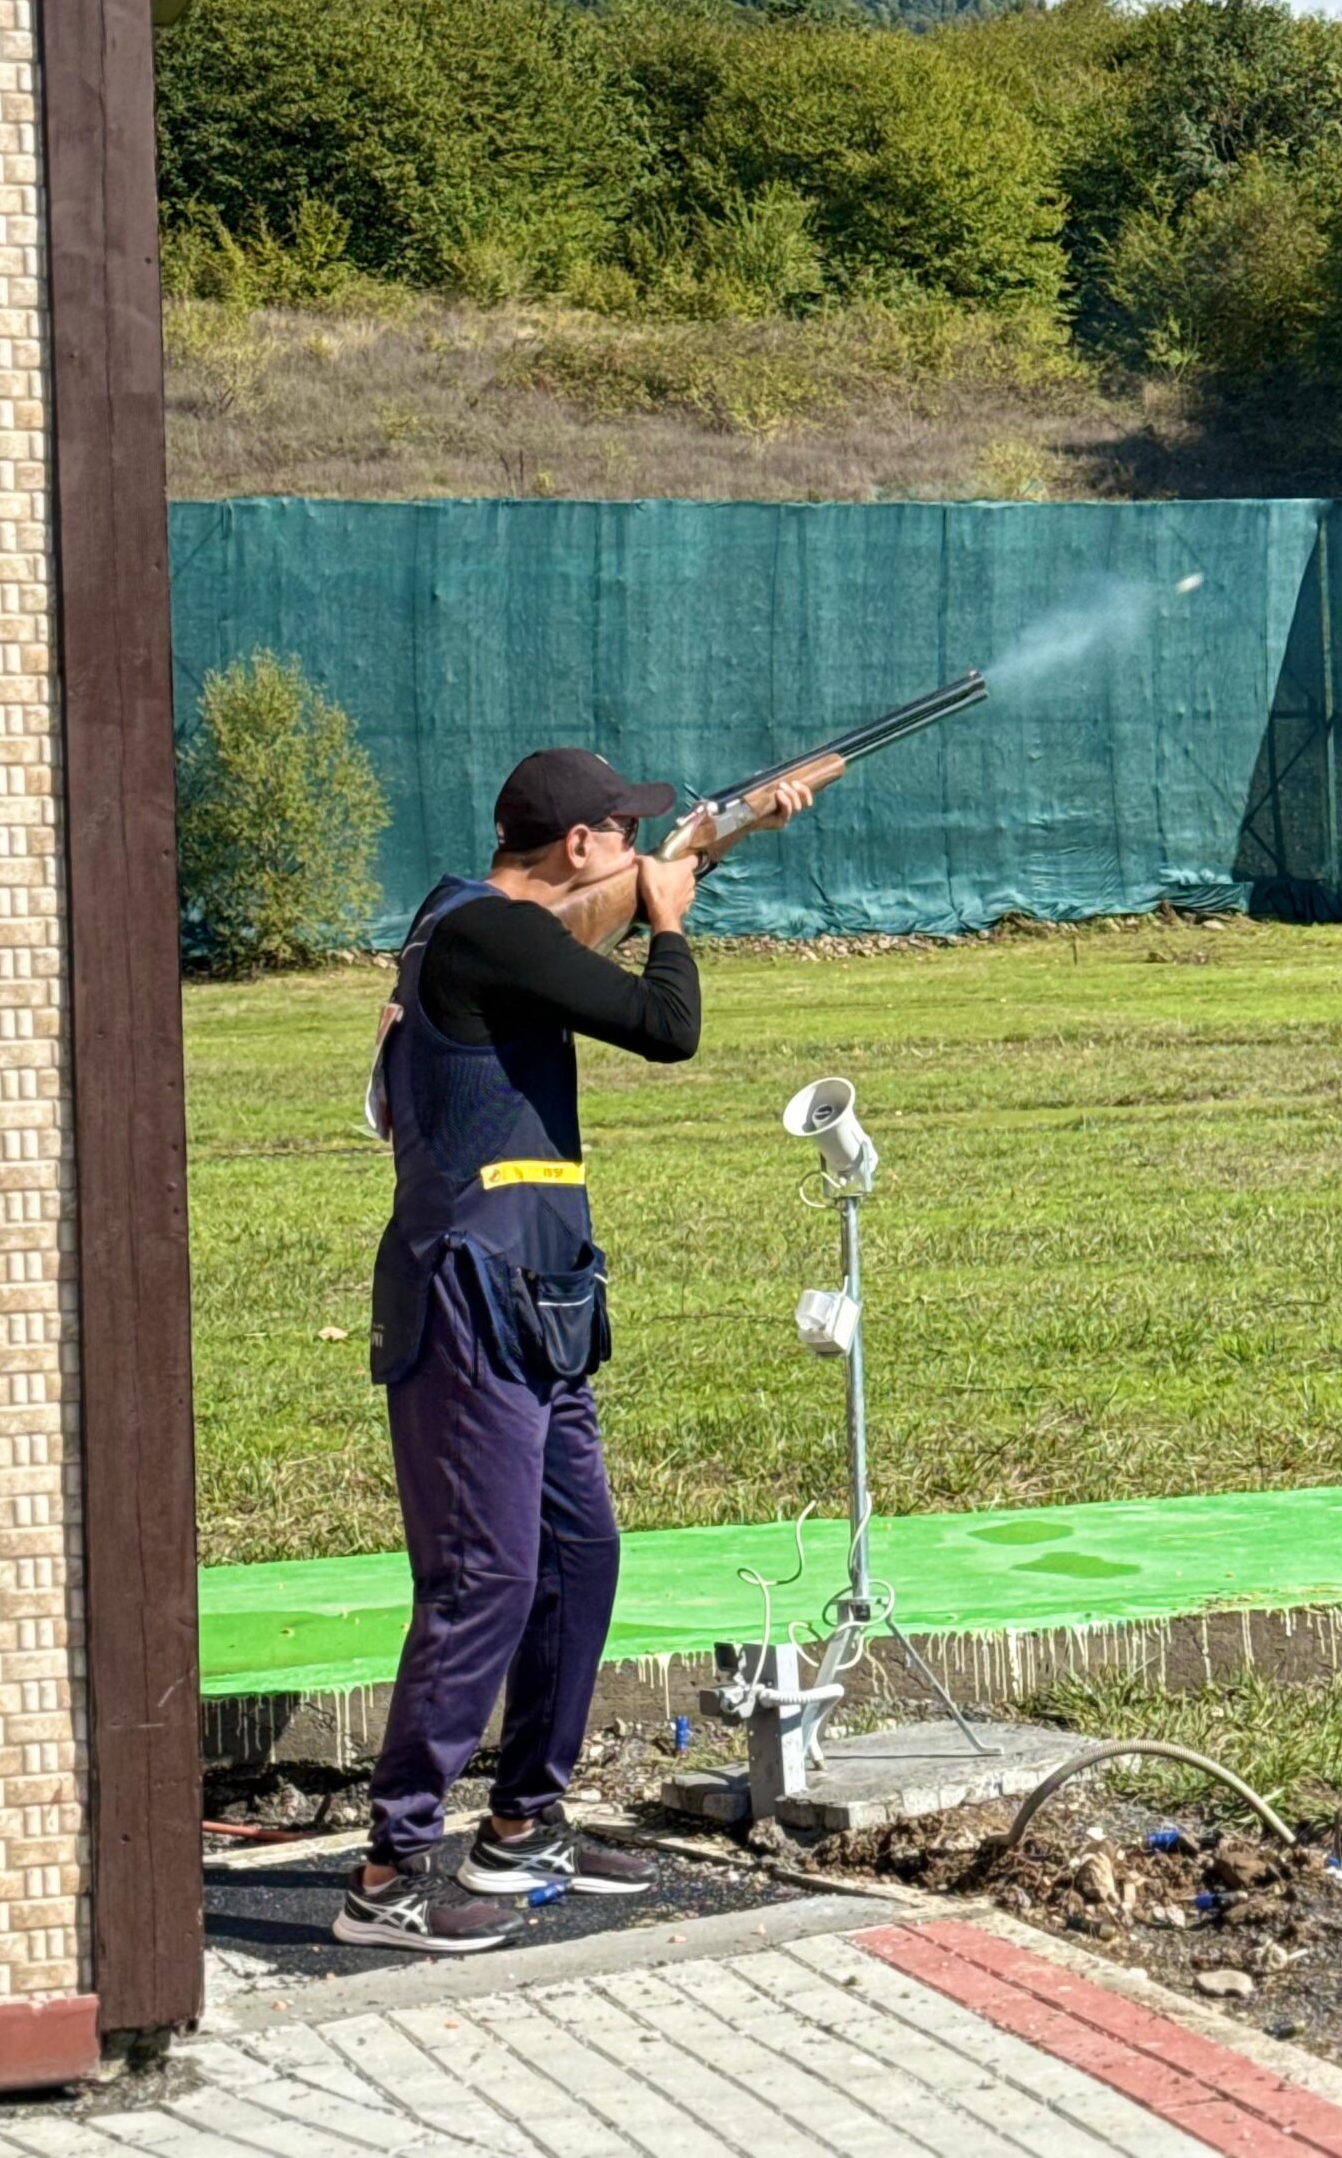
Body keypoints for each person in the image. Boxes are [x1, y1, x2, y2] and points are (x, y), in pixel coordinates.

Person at [334, 746, 812, 1953]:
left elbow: (574, 958)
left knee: (579, 1551)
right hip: (472, 1293)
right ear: (584, 847)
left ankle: (523, 1823)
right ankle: (390, 1869)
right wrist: (673, 916)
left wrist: (714, 844)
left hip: (541, 1291)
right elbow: (666, 1026)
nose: (631, 843)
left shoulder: (495, 933)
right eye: (621, 832)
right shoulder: (485, 931)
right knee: (484, 1576)